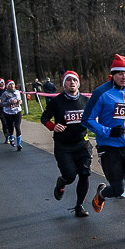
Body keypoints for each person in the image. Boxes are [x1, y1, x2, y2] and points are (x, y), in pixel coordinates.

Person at [83, 54, 125, 240]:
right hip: (109, 146)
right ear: (112, 74)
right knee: (118, 189)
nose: (124, 77)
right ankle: (102, 193)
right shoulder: (101, 93)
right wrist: (107, 131)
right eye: (120, 73)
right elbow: (87, 120)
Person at [40, 71, 93, 217]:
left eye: (74, 80)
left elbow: (93, 117)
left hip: (82, 143)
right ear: (64, 84)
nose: (72, 83)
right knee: (70, 176)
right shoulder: (57, 101)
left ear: (78, 83)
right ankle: (62, 182)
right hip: (64, 146)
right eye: (68, 80)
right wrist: (53, 126)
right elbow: (44, 117)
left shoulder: (85, 100)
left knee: (84, 174)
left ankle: (79, 206)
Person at [0, 80, 24, 150]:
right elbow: (2, 104)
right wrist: (10, 102)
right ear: (7, 86)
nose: (12, 86)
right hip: (8, 112)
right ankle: (11, 138)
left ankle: (19, 144)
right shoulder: (5, 94)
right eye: (10, 85)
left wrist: (20, 101)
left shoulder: (17, 92)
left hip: (17, 111)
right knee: (11, 127)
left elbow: (20, 99)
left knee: (17, 127)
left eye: (13, 84)